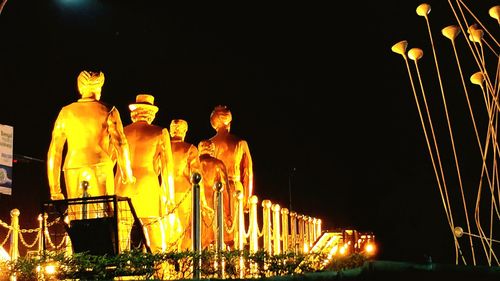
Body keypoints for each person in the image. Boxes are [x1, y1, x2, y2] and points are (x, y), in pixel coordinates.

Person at [47, 70, 135, 206]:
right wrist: (127, 174)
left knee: (75, 213)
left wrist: (55, 189)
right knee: (104, 211)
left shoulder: (66, 112)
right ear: (99, 88)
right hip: (100, 165)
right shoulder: (109, 110)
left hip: (73, 166)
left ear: (80, 87)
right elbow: (121, 143)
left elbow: (55, 151)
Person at [115, 94, 175, 253]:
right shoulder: (160, 132)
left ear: (134, 113)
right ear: (151, 114)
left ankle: (119, 273)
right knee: (154, 229)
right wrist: (170, 197)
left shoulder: (122, 132)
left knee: (120, 234)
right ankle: (161, 270)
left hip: (122, 184)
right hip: (147, 185)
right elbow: (167, 168)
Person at [209, 105, 254, 231]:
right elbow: (248, 172)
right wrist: (247, 199)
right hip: (235, 189)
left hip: (215, 189)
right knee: (235, 231)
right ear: (229, 122)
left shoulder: (208, 144)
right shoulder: (241, 143)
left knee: (217, 229)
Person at [169, 119, 204, 250]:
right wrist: (203, 201)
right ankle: (184, 260)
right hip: (184, 192)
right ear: (184, 131)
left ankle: (167, 263)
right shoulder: (190, 149)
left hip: (164, 192)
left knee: (167, 228)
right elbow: (196, 176)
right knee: (185, 228)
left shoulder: (164, 145)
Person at [197, 139, 230, 249]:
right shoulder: (218, 164)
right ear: (212, 149)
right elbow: (224, 189)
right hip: (213, 204)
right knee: (213, 238)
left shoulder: (194, 162)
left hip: (195, 204)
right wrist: (228, 213)